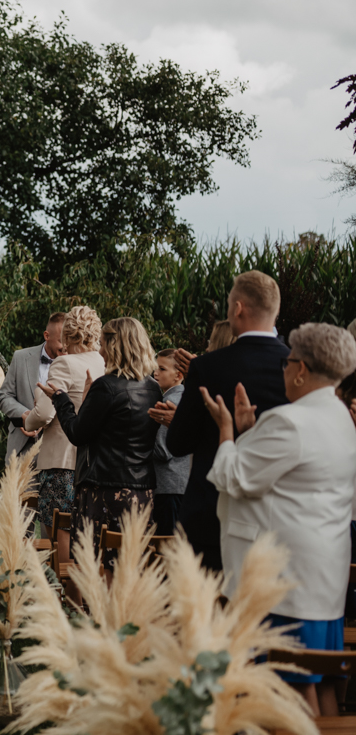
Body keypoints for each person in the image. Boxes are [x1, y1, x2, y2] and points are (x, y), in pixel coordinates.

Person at [202, 323, 356, 717]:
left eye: (287, 364)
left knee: (290, 691)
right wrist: (250, 434)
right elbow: (293, 478)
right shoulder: (340, 418)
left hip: (284, 581)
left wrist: (225, 433)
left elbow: (231, 477)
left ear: (301, 369)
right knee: (319, 685)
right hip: (322, 577)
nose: (283, 371)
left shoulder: (290, 421)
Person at [152, 271, 290, 571]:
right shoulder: (293, 366)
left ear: (238, 308)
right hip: (275, 515)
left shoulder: (208, 367)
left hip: (211, 513)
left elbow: (177, 443)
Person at [40, 317, 162, 553]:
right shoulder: (153, 389)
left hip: (105, 491)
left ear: (116, 347)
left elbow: (77, 433)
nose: (100, 351)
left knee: (102, 565)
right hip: (142, 491)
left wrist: (61, 399)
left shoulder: (106, 386)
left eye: (103, 344)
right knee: (132, 565)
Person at [25, 306, 105, 555]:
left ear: (68, 334)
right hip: (92, 465)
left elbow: (46, 412)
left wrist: (28, 420)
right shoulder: (102, 362)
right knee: (85, 540)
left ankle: (63, 594)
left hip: (61, 464)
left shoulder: (64, 364)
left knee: (58, 545)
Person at [0, 312, 66, 462]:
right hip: (22, 449)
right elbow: (4, 397)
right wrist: (25, 415)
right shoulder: (20, 357)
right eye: (62, 340)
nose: (66, 346)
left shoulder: (74, 363)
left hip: (58, 454)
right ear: (47, 336)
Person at [150, 349, 187, 536]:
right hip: (180, 485)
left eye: (162, 369)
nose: (155, 373)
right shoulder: (186, 399)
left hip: (168, 487)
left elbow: (164, 450)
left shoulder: (170, 402)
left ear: (178, 375)